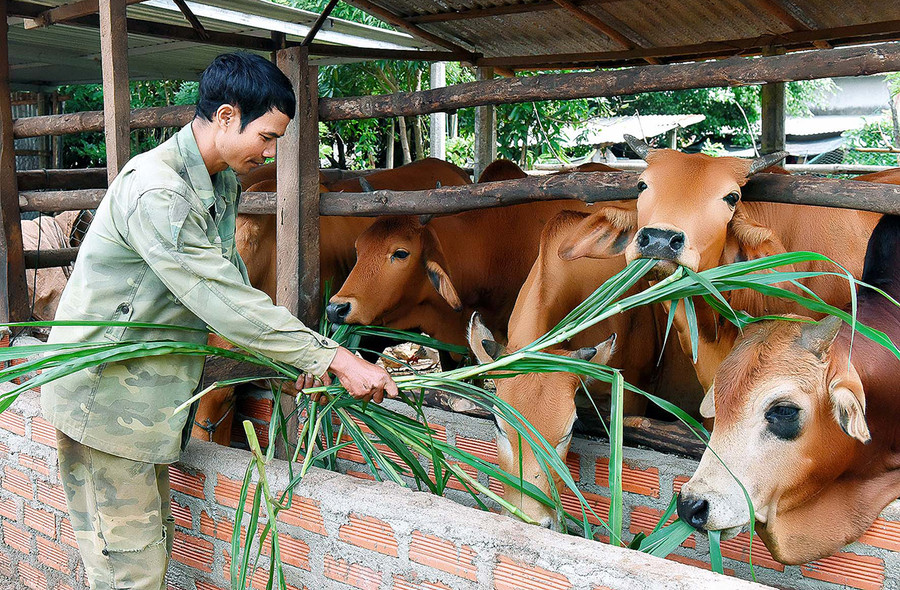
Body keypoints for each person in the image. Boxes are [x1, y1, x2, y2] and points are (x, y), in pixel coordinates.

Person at [42, 52, 398, 590]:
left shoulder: (219, 184)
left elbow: (232, 288)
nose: (271, 151)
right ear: (227, 116)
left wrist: (291, 360)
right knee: (129, 576)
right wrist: (332, 356)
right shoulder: (159, 191)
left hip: (147, 410)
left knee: (138, 565)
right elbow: (218, 297)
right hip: (108, 408)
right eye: (268, 136)